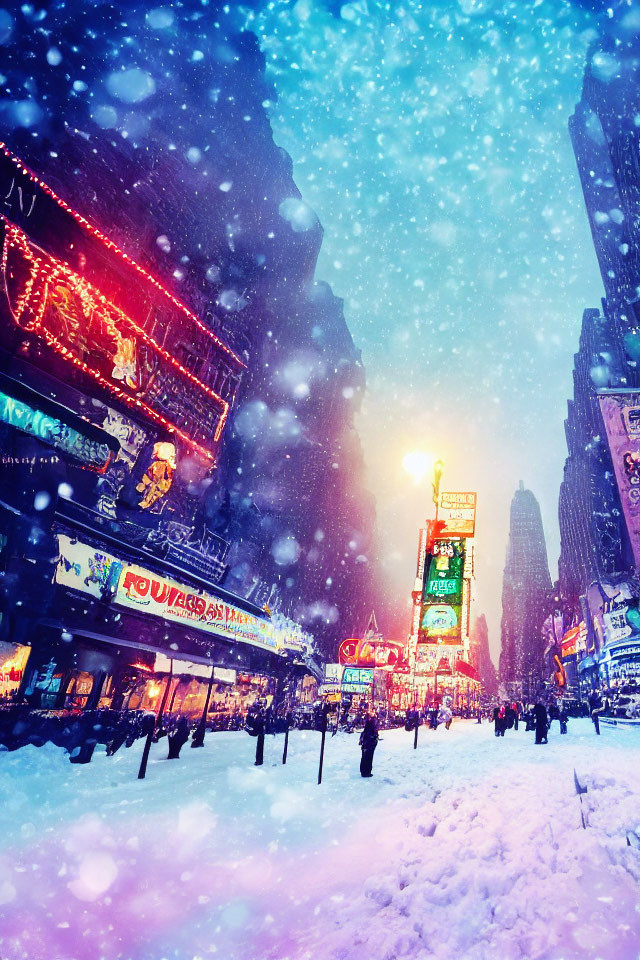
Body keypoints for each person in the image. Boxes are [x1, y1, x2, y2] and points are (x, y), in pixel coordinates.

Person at [359, 713, 379, 778]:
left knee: (365, 757)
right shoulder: (371, 727)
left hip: (367, 744)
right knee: (368, 758)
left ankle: (364, 771)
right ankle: (366, 772)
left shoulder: (368, 727)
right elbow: (372, 736)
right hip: (369, 744)